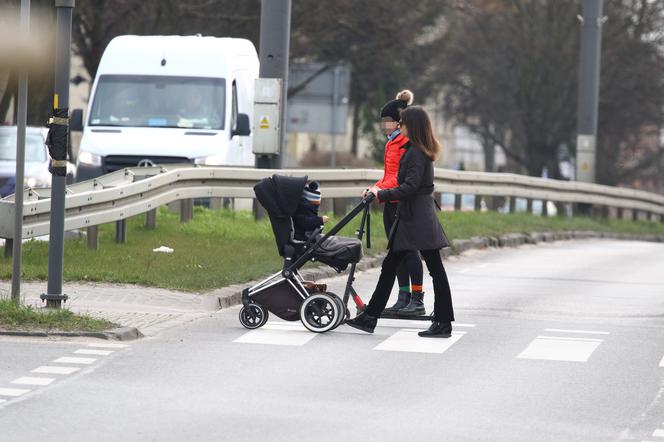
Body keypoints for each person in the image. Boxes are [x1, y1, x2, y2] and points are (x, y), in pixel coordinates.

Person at [347, 106, 455, 338]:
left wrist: (381, 194)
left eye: (403, 122)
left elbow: (410, 186)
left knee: (433, 268)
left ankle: (443, 322)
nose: (399, 125)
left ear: (411, 126)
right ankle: (371, 317)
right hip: (414, 216)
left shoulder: (415, 152)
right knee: (398, 266)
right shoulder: (417, 150)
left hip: (416, 218)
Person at [369, 89, 426, 316]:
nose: (385, 126)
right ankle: (402, 297)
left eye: (389, 122)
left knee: (409, 250)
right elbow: (388, 175)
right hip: (389, 200)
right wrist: (375, 187)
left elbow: (400, 178)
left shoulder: (406, 143)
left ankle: (417, 298)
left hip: (402, 202)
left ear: (399, 121)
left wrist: (379, 190)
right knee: (395, 250)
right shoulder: (390, 143)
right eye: (383, 122)